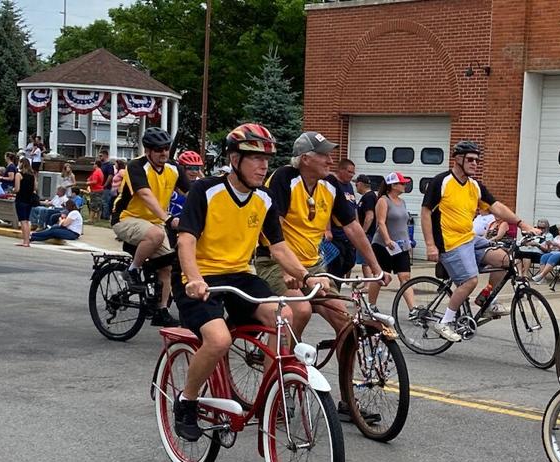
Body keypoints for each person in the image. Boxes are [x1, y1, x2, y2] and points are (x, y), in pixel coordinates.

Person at [171, 123, 308, 441]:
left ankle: (270, 396)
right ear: (234, 159)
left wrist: (306, 275)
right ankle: (187, 401)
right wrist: (193, 279)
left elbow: (278, 247)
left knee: (284, 316)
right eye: (255, 159)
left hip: (241, 276)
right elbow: (186, 241)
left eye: (267, 160)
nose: (263, 166)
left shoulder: (264, 198)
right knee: (219, 340)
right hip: (200, 278)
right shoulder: (205, 190)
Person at [257, 131, 383, 341]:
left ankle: (346, 374)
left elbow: (353, 227)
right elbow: (273, 229)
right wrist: (287, 270)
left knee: (344, 319)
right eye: (324, 155)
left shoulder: (330, 185)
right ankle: (288, 362)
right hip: (275, 263)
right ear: (305, 158)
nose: (331, 160)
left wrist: (376, 266)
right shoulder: (284, 178)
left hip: (313, 265)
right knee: (301, 310)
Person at [420, 140, 538, 342]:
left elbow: (496, 206)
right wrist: (430, 245)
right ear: (458, 159)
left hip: (469, 239)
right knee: (470, 280)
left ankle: (486, 299)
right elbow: (425, 212)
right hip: (449, 242)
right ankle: (445, 322)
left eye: (477, 160)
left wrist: (521, 224)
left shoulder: (474, 186)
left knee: (505, 260)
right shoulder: (442, 182)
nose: (476, 164)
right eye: (471, 160)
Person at [110, 127, 187, 327]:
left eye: (166, 149)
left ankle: (161, 310)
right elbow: (145, 194)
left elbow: (193, 192)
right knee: (156, 235)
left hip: (154, 223)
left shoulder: (173, 169)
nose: (164, 153)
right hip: (126, 219)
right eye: (159, 149)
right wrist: (167, 218)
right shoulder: (136, 166)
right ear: (148, 151)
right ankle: (133, 270)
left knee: (167, 266)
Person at [369, 171, 415, 310]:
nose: (404, 186)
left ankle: (413, 309)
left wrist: (408, 242)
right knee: (381, 277)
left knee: (405, 276)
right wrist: (387, 239)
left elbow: (403, 224)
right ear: (393, 185)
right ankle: (371, 305)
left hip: (401, 246)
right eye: (402, 183)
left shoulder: (402, 202)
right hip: (384, 245)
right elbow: (381, 222)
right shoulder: (383, 200)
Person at [325, 158, 360, 279]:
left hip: (349, 235)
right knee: (335, 268)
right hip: (336, 235)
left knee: (350, 262)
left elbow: (354, 209)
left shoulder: (349, 187)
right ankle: (333, 289)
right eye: (349, 172)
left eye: (353, 173)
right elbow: (326, 209)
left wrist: (358, 230)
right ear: (340, 170)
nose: (352, 175)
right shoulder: (332, 183)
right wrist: (327, 229)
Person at [354, 173, 378, 278]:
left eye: (356, 184)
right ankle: (367, 282)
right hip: (368, 233)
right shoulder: (368, 196)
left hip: (368, 234)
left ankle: (367, 284)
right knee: (365, 260)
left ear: (361, 184)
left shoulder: (368, 197)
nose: (356, 187)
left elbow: (370, 216)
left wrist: (363, 232)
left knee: (365, 261)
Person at [14, 159, 40, 247]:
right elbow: (35, 188)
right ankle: (27, 240)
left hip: (21, 199)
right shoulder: (32, 175)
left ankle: (25, 241)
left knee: (23, 220)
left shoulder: (19, 175)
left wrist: (13, 190)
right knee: (27, 220)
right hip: (29, 199)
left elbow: (17, 189)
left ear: (21, 164)